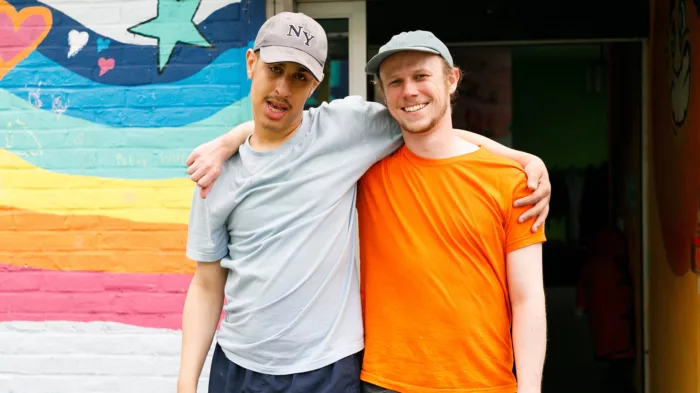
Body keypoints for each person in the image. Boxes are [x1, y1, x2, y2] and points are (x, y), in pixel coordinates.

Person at [180, 13, 551, 393]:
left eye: (299, 76)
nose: (282, 87)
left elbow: (430, 125)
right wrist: (185, 383)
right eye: (274, 69)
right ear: (251, 63)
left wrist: (521, 158)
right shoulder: (217, 172)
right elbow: (207, 285)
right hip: (248, 365)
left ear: (315, 84)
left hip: (331, 367)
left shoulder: (346, 131)